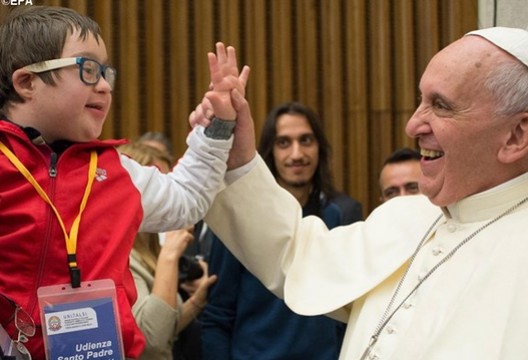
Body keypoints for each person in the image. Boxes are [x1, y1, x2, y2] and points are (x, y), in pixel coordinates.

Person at [197, 27, 528, 360]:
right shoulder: (409, 215)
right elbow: (298, 256)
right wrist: (241, 158)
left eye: (441, 106)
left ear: (517, 135)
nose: (413, 124)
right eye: (421, 99)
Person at [0, 6, 246, 359]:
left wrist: (218, 127)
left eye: (105, 72)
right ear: (27, 83)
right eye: (87, 69)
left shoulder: (115, 171)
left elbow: (187, 197)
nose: (103, 85)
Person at [199, 102, 362, 359]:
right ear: (270, 151)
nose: (296, 154)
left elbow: (346, 313)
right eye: (284, 143)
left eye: (306, 140)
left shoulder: (336, 217)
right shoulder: (242, 218)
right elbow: (218, 316)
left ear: (320, 147)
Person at [117, 142, 217, 360]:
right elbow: (150, 340)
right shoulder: (120, 255)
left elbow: (166, 329)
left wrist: (196, 302)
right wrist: (171, 254)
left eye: (169, 184)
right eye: (157, 186)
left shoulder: (147, 250)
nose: (168, 197)